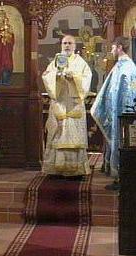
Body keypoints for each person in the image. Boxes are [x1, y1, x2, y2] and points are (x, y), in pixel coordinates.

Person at [91, 36, 136, 186]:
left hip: (123, 114)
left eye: (113, 47)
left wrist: (125, 113)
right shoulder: (120, 65)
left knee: (121, 142)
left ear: (119, 47)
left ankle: (122, 176)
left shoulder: (128, 67)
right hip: (116, 111)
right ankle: (118, 175)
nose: (111, 50)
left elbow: (130, 92)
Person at [42, 35, 92, 176]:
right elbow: (46, 76)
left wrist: (74, 77)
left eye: (70, 43)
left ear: (75, 46)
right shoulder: (55, 62)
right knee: (57, 134)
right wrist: (56, 76)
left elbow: (87, 80)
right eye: (64, 43)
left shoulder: (81, 63)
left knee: (73, 135)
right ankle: (55, 169)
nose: (67, 46)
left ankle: (75, 170)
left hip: (74, 105)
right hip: (59, 104)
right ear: (61, 45)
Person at [0, 9, 15, 85]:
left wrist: (8, 37)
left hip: (7, 49)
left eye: (3, 16)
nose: (1, 18)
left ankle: (6, 80)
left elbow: (12, 38)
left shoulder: (9, 27)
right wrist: (0, 36)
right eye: (0, 16)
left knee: (7, 63)